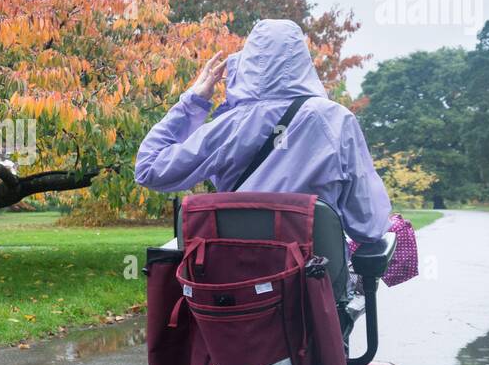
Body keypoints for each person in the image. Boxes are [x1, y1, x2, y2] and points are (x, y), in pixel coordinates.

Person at [134, 18, 391, 243]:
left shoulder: (230, 126)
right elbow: (369, 226)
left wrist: (192, 102)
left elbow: (149, 168)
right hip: (315, 279)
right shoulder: (337, 122)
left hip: (235, 277)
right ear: (304, 63)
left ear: (248, 63)